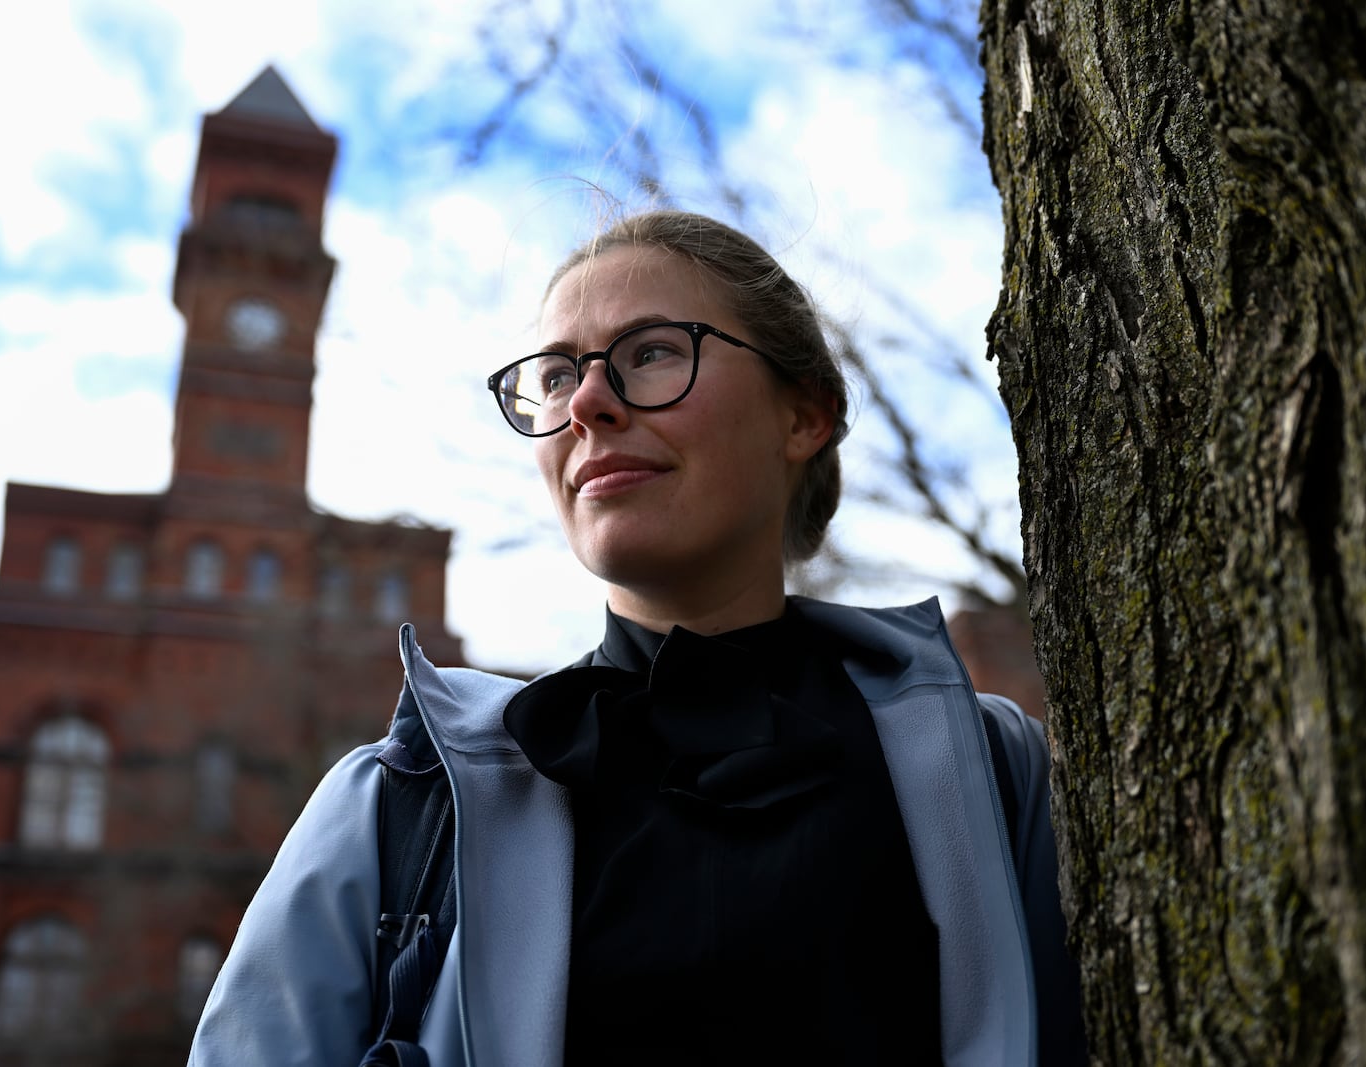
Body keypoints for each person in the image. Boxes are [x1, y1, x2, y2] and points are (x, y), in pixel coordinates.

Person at [189, 210, 1085, 1065]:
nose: (585, 403)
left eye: (650, 353)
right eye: (552, 375)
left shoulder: (997, 770)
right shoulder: (406, 804)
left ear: (804, 415)